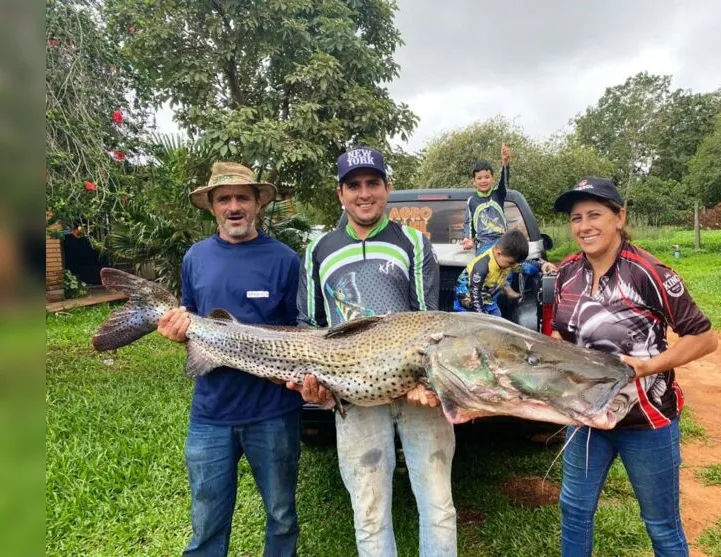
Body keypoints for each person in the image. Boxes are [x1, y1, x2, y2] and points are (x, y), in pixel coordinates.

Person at [292, 147, 457, 557]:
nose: (364, 194)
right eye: (354, 185)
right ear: (340, 194)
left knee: (437, 505)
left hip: (418, 396)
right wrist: (316, 385)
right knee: (368, 512)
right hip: (354, 398)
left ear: (387, 189)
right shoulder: (318, 250)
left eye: (373, 183)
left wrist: (430, 382)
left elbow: (427, 323)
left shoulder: (415, 244)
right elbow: (309, 326)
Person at [549, 177, 718, 557]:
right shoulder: (567, 273)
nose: (584, 226)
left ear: (619, 217)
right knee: (574, 512)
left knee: (661, 525)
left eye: (595, 215)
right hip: (585, 417)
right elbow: (563, 337)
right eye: (576, 218)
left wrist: (647, 366)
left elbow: (704, 338)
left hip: (647, 421)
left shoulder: (648, 272)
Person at [156, 162, 303, 557]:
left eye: (242, 197)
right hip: (211, 412)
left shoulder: (286, 260)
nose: (233, 206)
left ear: (258, 203)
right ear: (212, 207)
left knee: (282, 515)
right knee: (206, 523)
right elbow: (192, 319)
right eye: (224, 198)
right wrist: (176, 331)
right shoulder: (195, 258)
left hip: (273, 411)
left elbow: (301, 328)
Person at [453, 228, 556, 316]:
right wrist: (481, 316)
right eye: (510, 263)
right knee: (474, 319)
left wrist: (541, 265)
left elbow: (524, 265)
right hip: (468, 296)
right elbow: (475, 292)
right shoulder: (482, 266)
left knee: (496, 316)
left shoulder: (506, 261)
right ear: (498, 253)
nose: (513, 266)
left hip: (487, 295)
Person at [461, 144, 512, 255]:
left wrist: (505, 163)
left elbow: (504, 180)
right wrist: (467, 238)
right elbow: (468, 223)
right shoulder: (472, 201)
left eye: (487, 177)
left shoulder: (498, 194)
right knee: (486, 268)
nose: (483, 181)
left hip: (503, 243)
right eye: (479, 178)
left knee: (525, 268)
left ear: (492, 179)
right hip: (483, 245)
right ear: (474, 181)